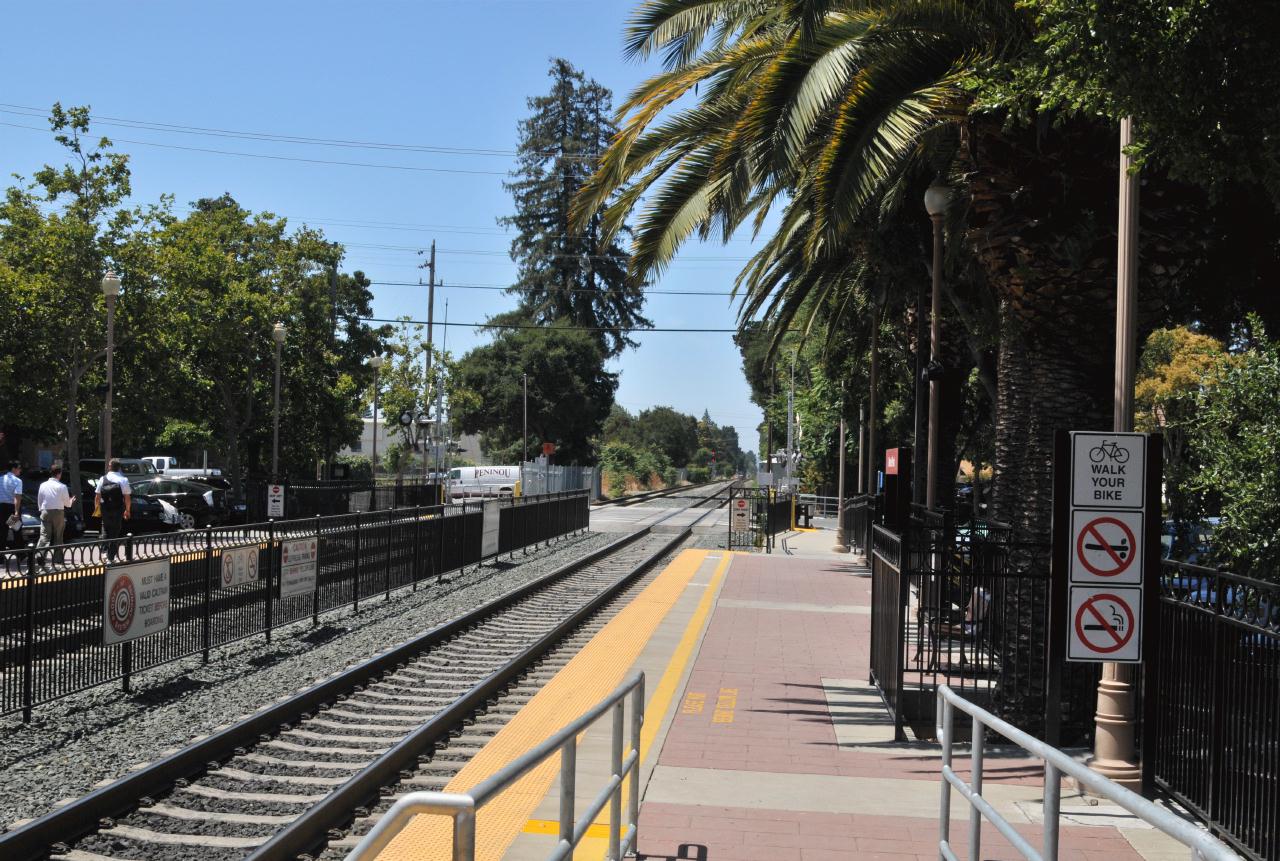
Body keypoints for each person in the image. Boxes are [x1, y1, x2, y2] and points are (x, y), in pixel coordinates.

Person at [37, 464, 76, 565]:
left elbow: (40, 500)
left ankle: (40, 554)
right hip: (58, 512)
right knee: (58, 536)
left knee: (44, 535)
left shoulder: (43, 485)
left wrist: (41, 509)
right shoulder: (62, 486)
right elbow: (67, 504)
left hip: (45, 510)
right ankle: (58, 559)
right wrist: (71, 501)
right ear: (59, 474)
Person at [95, 458, 131, 561]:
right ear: (119, 468)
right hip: (118, 508)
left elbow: (97, 496)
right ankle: (111, 556)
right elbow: (127, 497)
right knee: (115, 530)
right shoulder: (123, 480)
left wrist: (97, 509)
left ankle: (104, 552)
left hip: (105, 508)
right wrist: (127, 510)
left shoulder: (103, 478)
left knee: (105, 528)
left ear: (109, 467)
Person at [0, 461, 22, 552]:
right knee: (16, 530)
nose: (20, 470)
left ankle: (0, 556)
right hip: (11, 509)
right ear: (13, 469)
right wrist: (16, 512)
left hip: (1, 508)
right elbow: (17, 496)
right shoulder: (17, 481)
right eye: (19, 468)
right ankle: (20, 554)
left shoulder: (0, 479)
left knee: (2, 532)